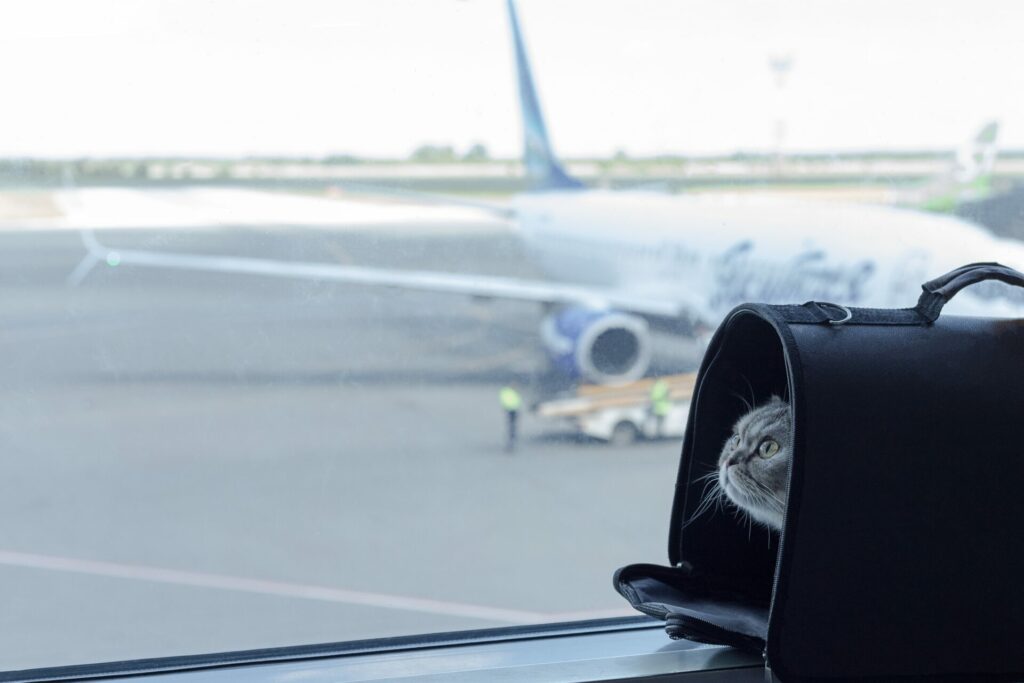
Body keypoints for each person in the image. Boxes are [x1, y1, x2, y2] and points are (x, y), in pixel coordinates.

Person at [499, 384, 522, 452]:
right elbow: (513, 402)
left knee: (512, 426)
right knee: (512, 426)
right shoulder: (510, 393)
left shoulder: (509, 393)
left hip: (512, 411)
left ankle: (511, 440)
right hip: (512, 411)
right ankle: (511, 440)